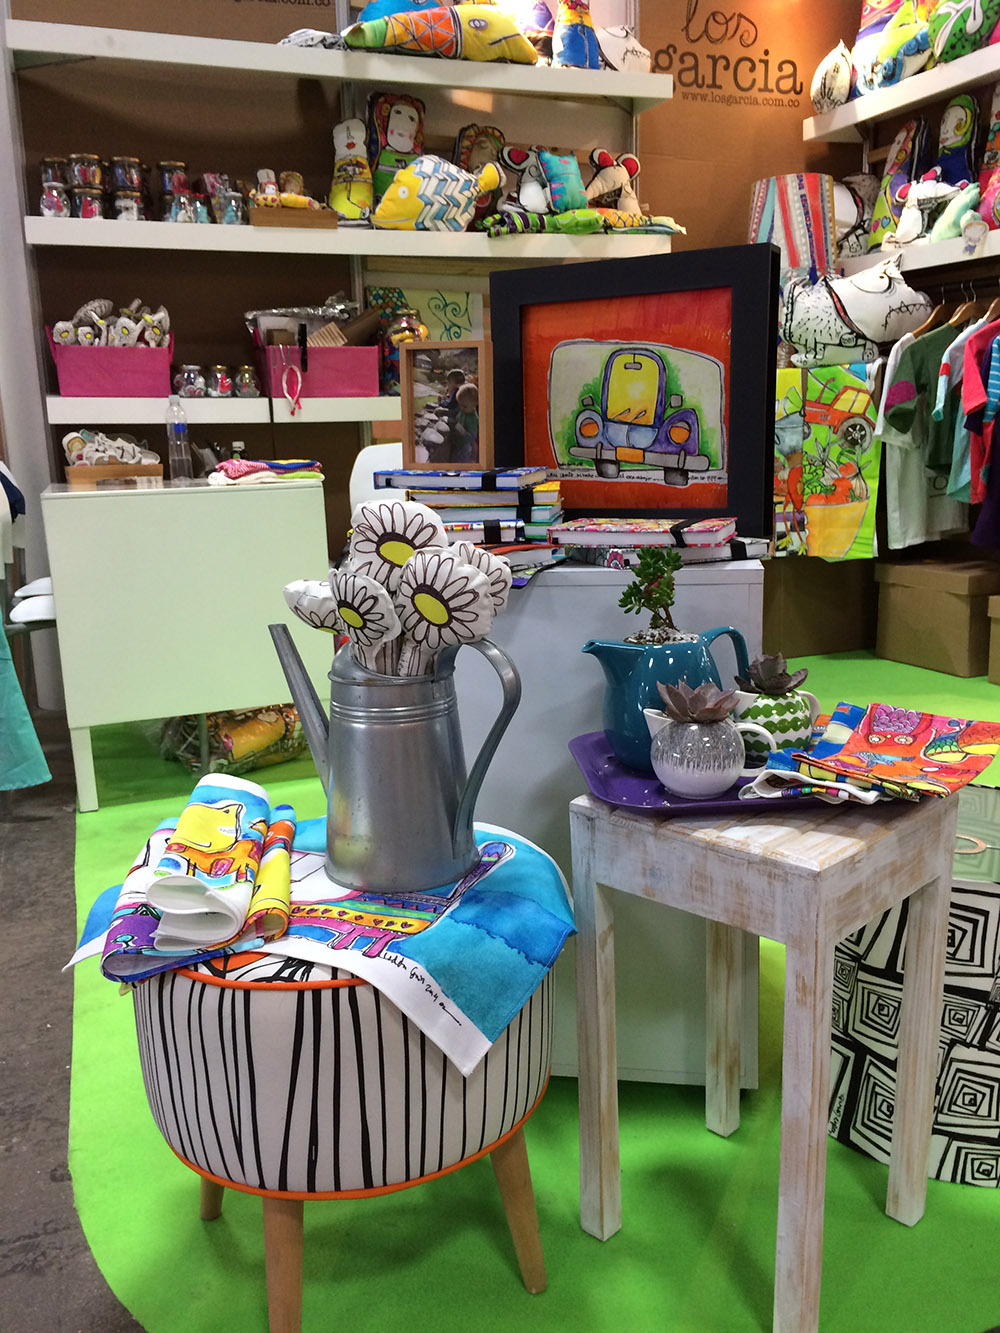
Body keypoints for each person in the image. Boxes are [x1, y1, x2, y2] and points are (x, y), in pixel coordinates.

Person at [451, 382, 479, 462]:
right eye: (460, 405)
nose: (461, 408)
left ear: (475, 404)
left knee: (467, 450)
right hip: (459, 441)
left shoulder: (473, 419)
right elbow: (455, 412)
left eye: (464, 406)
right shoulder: (464, 409)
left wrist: (462, 430)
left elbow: (472, 438)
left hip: (465, 446)